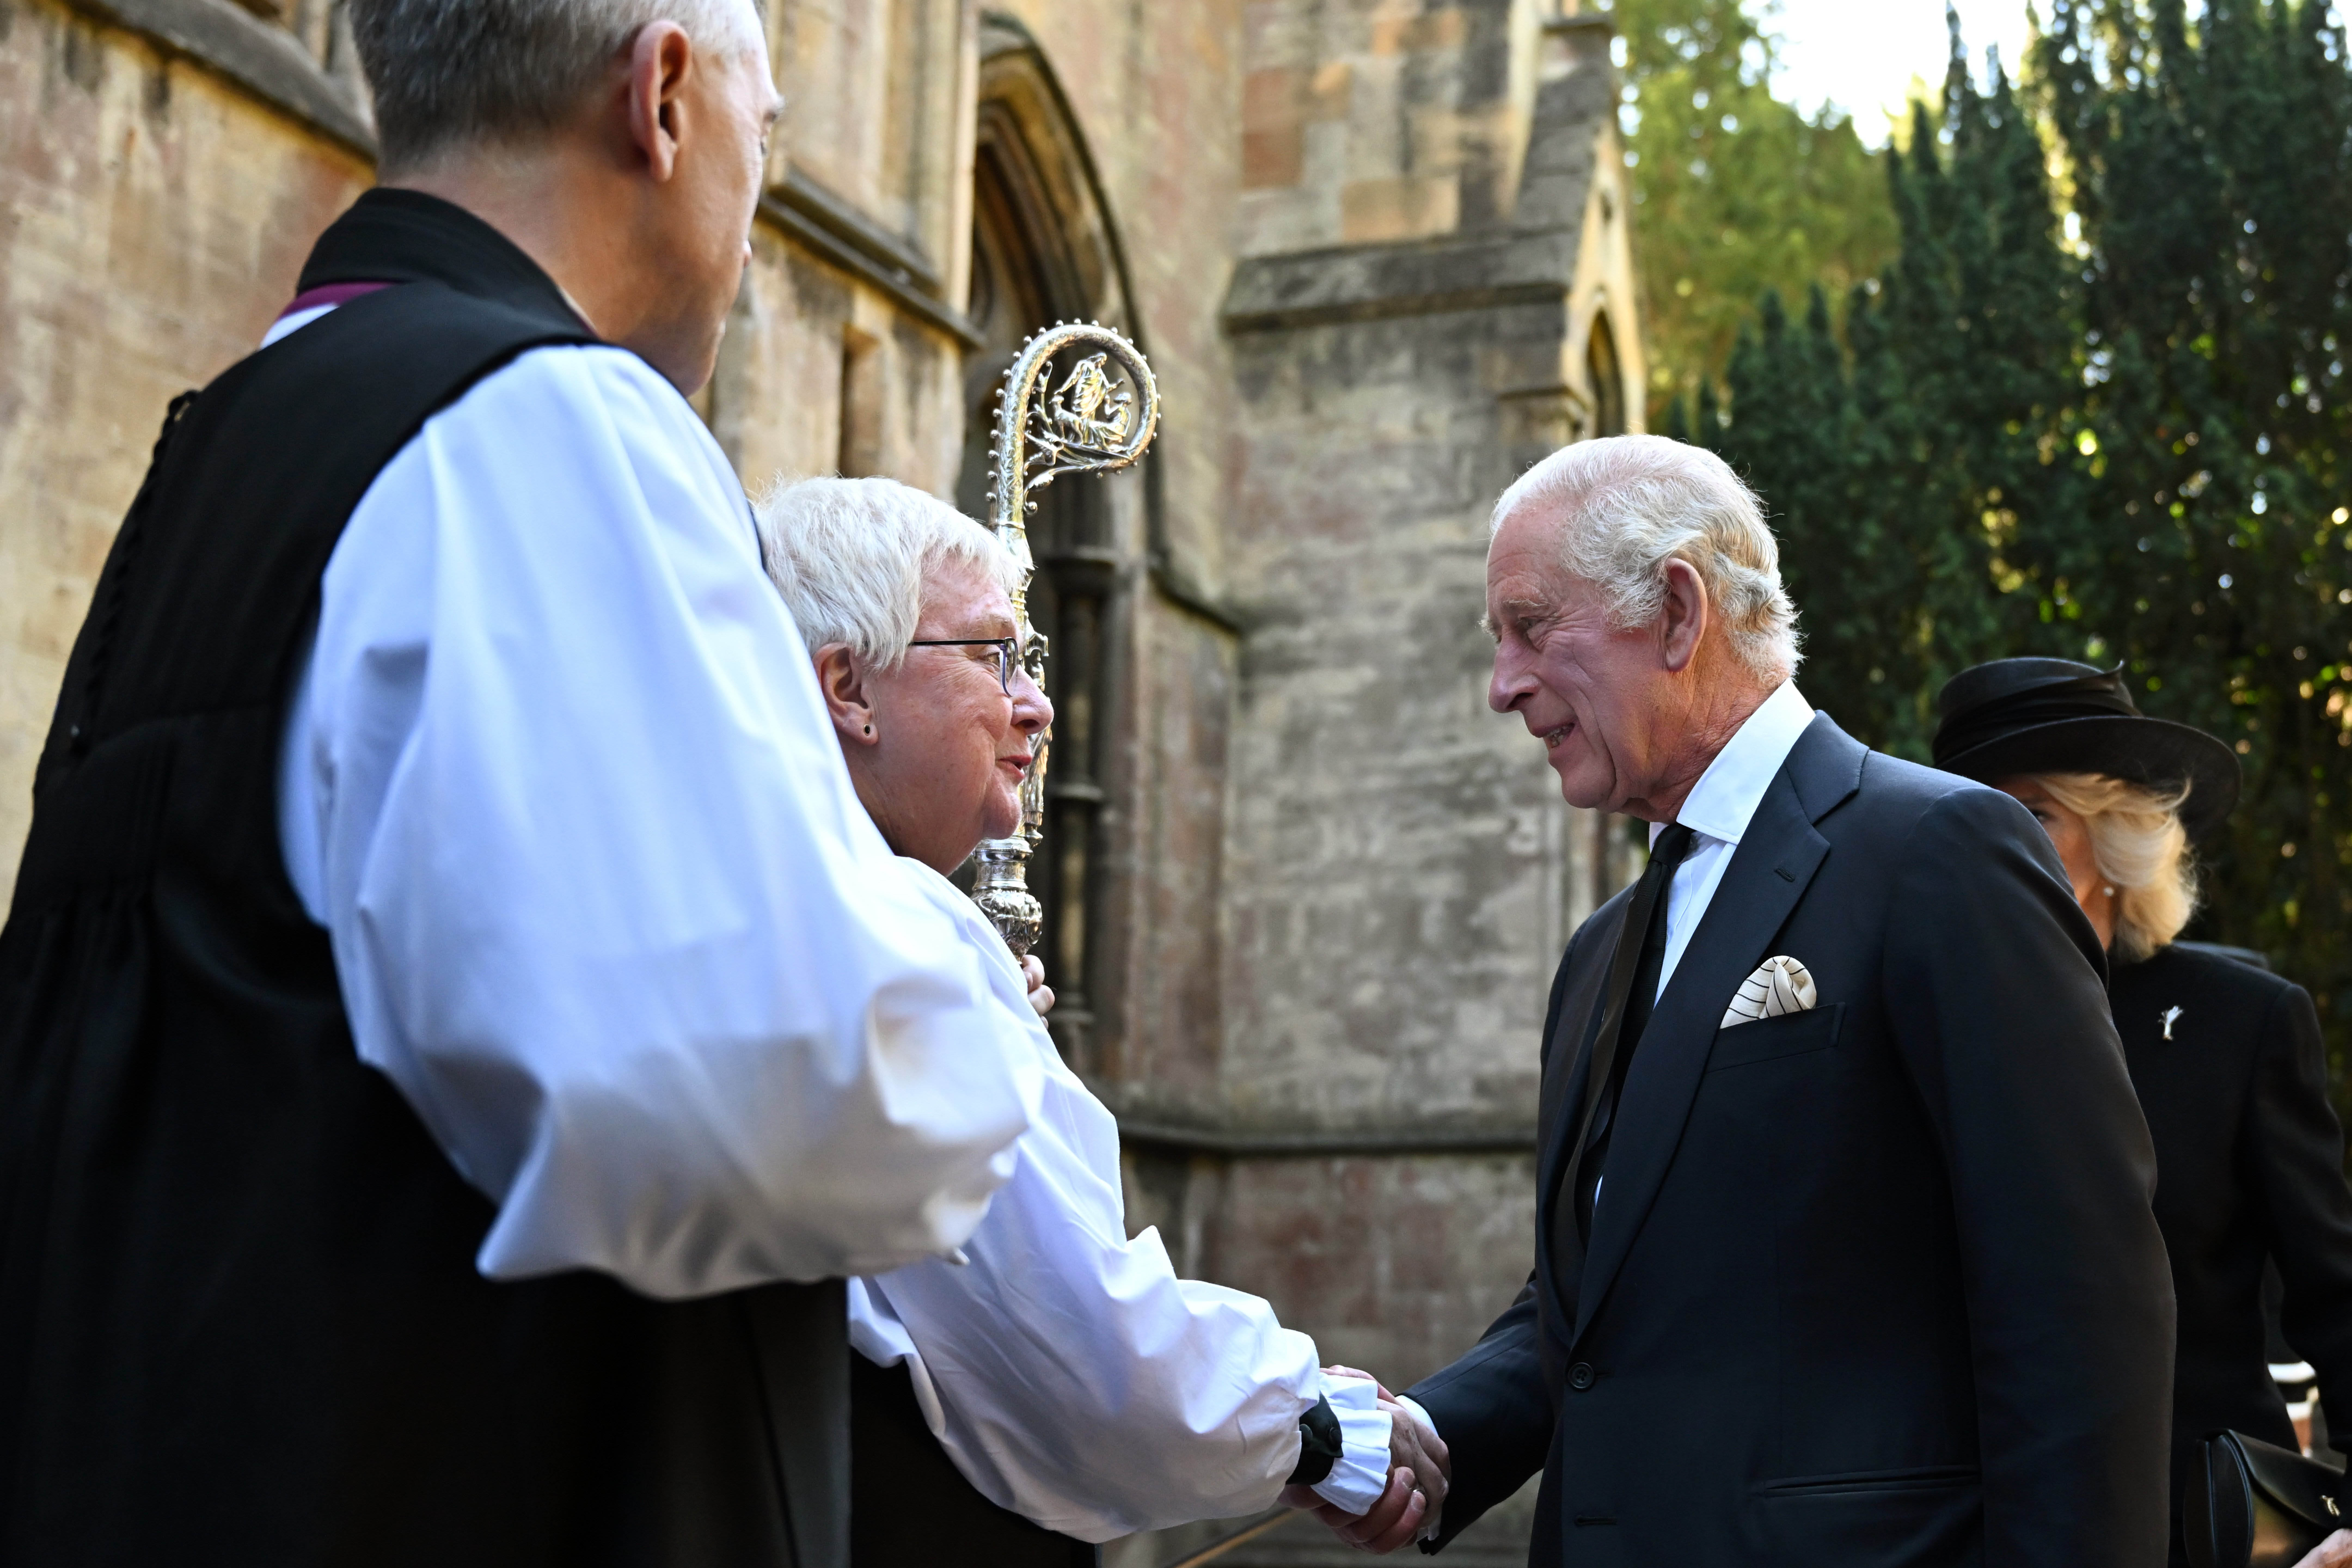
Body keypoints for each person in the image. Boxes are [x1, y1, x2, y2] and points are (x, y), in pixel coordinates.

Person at [0, 4, 1045, 1563]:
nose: (763, 217)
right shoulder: (546, 422)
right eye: (770, 137)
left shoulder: (243, 433)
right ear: (665, 97)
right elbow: (758, 1089)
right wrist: (980, 1029)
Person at [1297, 434, 2175, 1563]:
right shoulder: (1600, 950)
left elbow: (2082, 1310)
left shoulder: (1939, 854)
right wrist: (1424, 1432)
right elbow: (1601, 1304)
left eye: (1530, 626)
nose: (1502, 684)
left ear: (1675, 611)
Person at [756, 475, 1418, 1565]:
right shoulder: (896, 921)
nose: (1039, 705)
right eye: (993, 658)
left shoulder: (757, 900)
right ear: (849, 688)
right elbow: (1068, 1345)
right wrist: (1314, 1428)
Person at [1934, 657, 2352, 1568]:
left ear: (2112, 837)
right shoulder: (1923, 1027)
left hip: (2194, 1523)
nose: (1996, 847)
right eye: (1971, 819)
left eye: (2033, 815)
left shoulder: (2240, 1022)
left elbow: (2334, 1289)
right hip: (1967, 1524)